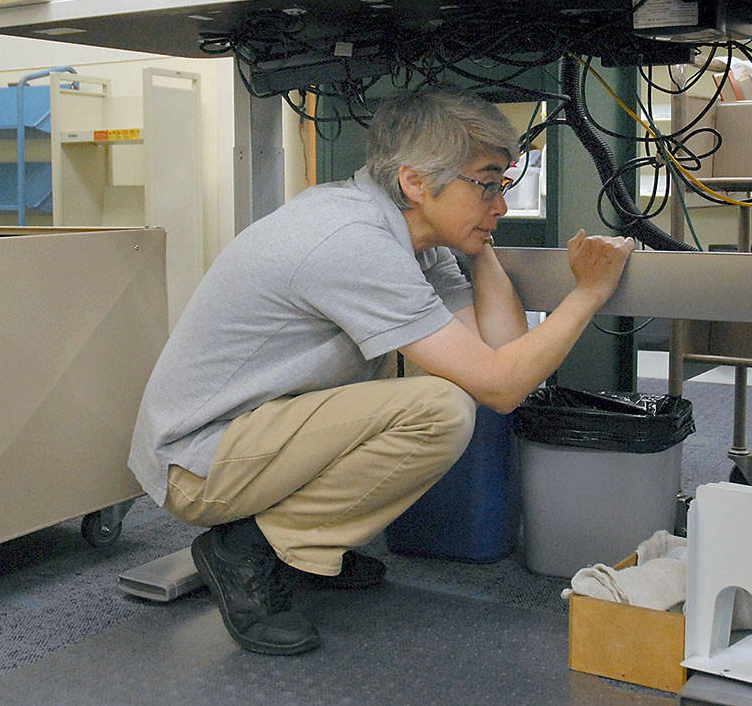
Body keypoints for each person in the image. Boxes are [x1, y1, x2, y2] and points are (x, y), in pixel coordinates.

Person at [129, 89, 634, 655]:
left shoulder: (413, 239)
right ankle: (250, 549)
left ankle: (297, 549)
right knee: (437, 409)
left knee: (443, 394)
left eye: (503, 186)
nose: (502, 205)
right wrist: (588, 293)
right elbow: (503, 385)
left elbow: (502, 353)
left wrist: (479, 243)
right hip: (197, 462)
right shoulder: (351, 242)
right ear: (416, 183)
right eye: (487, 184)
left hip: (252, 435)